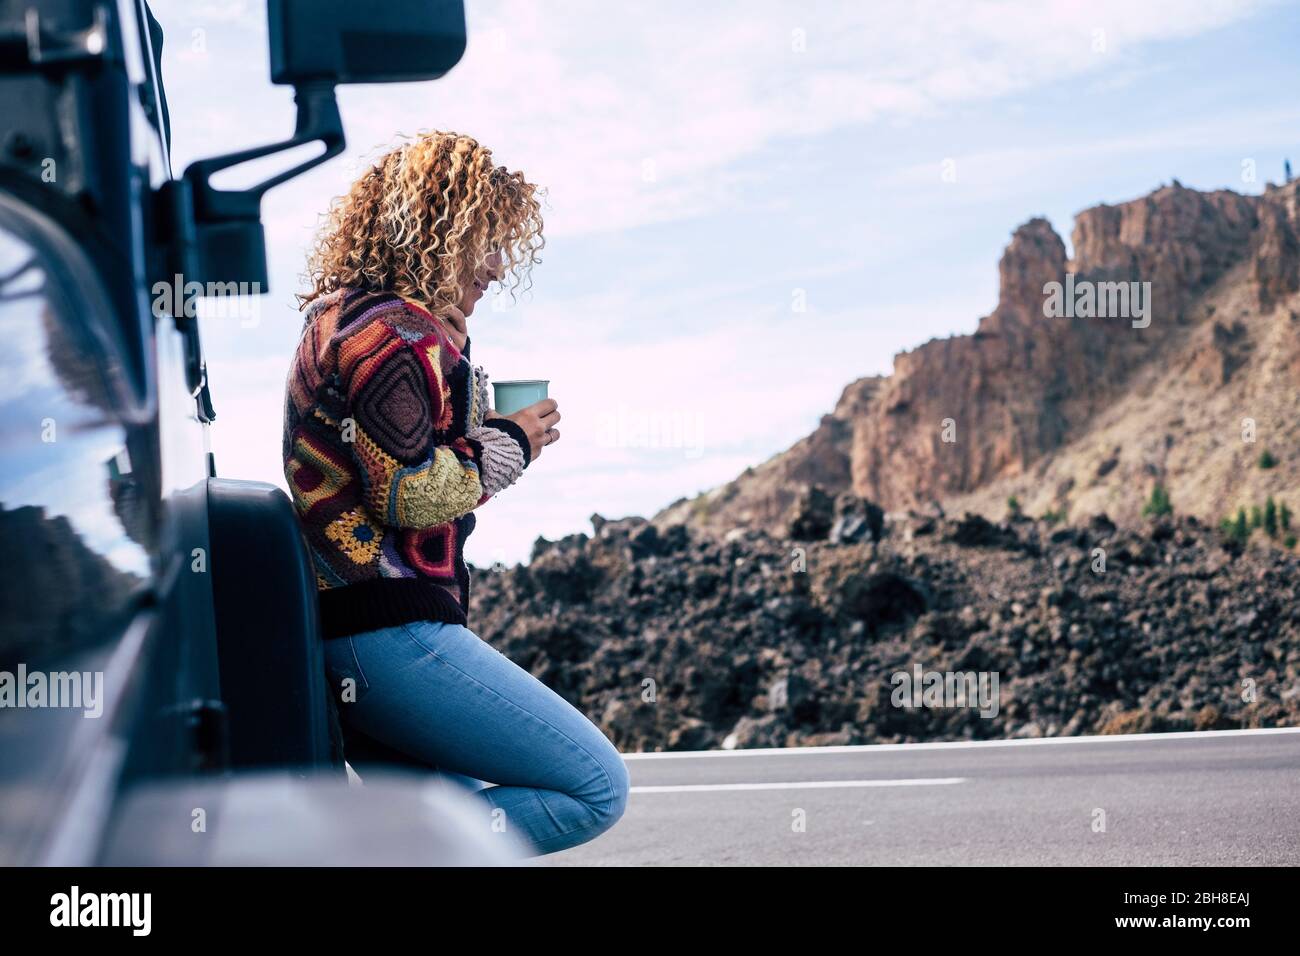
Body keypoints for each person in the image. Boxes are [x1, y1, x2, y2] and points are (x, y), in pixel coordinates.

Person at [283, 131, 628, 856]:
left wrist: (460, 363)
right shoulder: (395, 334)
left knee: (445, 829)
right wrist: (514, 443)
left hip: (351, 626)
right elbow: (409, 492)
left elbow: (410, 461)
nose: (499, 268)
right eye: (487, 242)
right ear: (436, 231)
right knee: (594, 787)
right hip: (388, 629)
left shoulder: (345, 318)